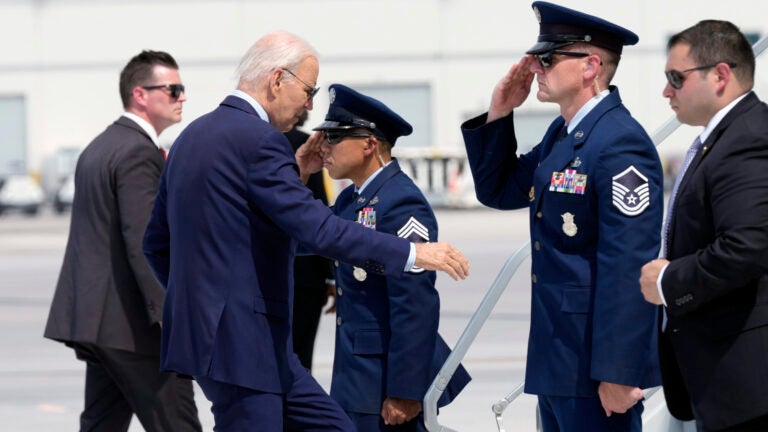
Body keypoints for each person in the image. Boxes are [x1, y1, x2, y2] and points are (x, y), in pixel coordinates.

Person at [142, 31, 470, 432]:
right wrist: (413, 254)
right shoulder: (261, 140)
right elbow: (318, 230)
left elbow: (158, 243)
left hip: (245, 344)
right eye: (308, 90)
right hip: (242, 344)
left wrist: (197, 304)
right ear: (277, 79)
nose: (310, 105)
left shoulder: (191, 137)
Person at [461, 2, 663, 431]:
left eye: (548, 58)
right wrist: (500, 112)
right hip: (558, 361)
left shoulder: (620, 144)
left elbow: (628, 264)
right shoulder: (564, 134)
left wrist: (620, 371)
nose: (534, 67)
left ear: (591, 66)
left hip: (594, 368)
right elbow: (500, 190)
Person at [43, 51, 201, 432]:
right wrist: (168, 313)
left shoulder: (101, 146)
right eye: (173, 89)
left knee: (102, 423)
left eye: (182, 89)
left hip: (98, 323)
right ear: (140, 94)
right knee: (178, 423)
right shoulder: (136, 152)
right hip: (132, 328)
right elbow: (143, 240)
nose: (182, 97)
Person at [306, 84, 471, 431]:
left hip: (385, 383)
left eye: (334, 138)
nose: (324, 148)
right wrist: (298, 174)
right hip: (358, 377)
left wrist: (406, 392)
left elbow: (414, 304)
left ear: (368, 144)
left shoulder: (400, 203)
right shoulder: (352, 199)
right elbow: (306, 236)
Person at [639, 20, 768, 432]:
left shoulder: (746, 139)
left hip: (747, 387)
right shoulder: (722, 138)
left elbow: (747, 246)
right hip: (725, 383)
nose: (666, 91)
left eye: (676, 78)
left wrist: (669, 281)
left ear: (720, 75)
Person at [285, 111, 336, 371]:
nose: (308, 106)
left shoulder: (251, 142)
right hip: (305, 273)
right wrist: (331, 276)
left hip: (264, 274)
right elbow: (317, 214)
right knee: (300, 359)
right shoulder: (305, 146)